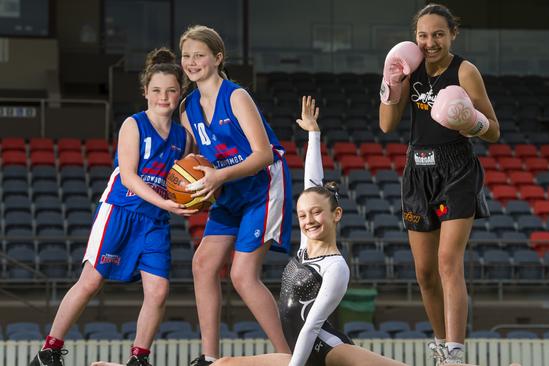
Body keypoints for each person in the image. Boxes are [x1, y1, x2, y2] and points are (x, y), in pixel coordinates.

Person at [207, 96, 407, 366]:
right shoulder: (305, 247)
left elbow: (312, 326)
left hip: (328, 351)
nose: (308, 220)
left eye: (316, 214)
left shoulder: (336, 267)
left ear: (336, 215)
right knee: (222, 364)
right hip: (298, 354)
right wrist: (313, 134)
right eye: (302, 215)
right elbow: (313, 185)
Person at [30, 48, 196, 366]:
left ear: (180, 93)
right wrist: (165, 201)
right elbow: (130, 178)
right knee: (91, 281)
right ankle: (48, 350)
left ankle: (139, 358)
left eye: (172, 90)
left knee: (159, 291)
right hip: (120, 211)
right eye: (157, 90)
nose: (164, 96)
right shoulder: (133, 125)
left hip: (155, 221)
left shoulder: (183, 138)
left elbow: (185, 177)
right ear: (146, 92)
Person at [378, 3, 500, 365]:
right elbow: (387, 125)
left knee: (448, 262)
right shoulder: (409, 66)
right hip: (417, 169)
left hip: (456, 168)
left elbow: (494, 130)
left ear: (452, 35)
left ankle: (456, 354)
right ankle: (441, 343)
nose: (430, 42)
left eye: (438, 34)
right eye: (423, 35)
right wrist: (391, 83)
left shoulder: (465, 71)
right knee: (425, 272)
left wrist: (471, 123)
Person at [177, 25, 292, 365]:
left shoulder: (237, 96)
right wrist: (188, 191)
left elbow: (263, 155)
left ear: (217, 57)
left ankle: (290, 356)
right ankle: (209, 357)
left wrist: (218, 176)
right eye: (186, 56)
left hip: (262, 185)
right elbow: (193, 161)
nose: (191, 62)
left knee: (242, 275)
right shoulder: (188, 108)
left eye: (199, 55)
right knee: (202, 264)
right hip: (229, 190)